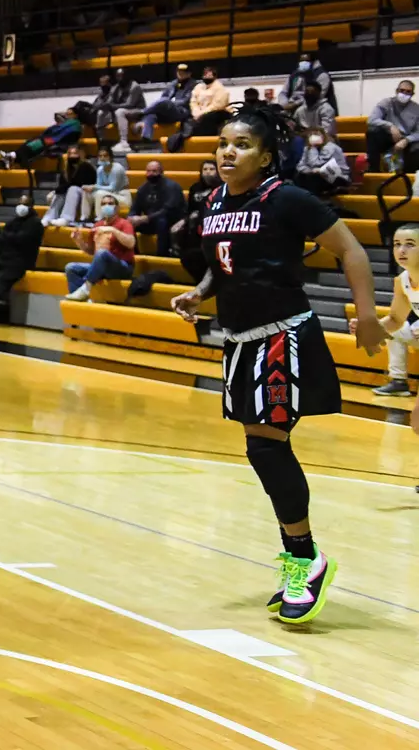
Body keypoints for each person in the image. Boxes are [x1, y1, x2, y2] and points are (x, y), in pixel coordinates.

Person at [171, 102, 384, 625]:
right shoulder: (216, 200)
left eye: (242, 145)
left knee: (266, 446)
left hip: (283, 336)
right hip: (240, 338)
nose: (228, 151)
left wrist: (368, 316)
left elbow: (352, 251)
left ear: (266, 156)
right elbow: (224, 267)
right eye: (224, 143)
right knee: (261, 448)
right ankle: (301, 556)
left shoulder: (287, 199)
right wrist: (199, 293)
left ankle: (306, 559)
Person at [367, 224, 419, 398]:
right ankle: (398, 382)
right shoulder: (402, 280)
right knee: (395, 332)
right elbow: (395, 320)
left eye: (410, 244)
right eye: (397, 244)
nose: (401, 250)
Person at [63, 191, 135, 301]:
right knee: (71, 268)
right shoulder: (97, 225)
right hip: (102, 267)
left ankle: (86, 288)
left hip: (122, 267)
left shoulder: (124, 223)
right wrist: (79, 242)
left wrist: (113, 230)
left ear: (117, 207)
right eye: (103, 204)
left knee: (102, 253)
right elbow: (91, 251)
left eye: (110, 203)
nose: (107, 206)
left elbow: (131, 243)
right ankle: (82, 301)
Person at [175, 161, 222, 283]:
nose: (208, 172)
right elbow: (189, 209)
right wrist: (183, 220)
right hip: (194, 225)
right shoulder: (195, 188)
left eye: (211, 169)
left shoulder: (222, 188)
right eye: (205, 169)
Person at [130, 160, 185, 255]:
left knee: (162, 221)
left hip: (172, 221)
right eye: (148, 171)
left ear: (161, 172)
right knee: (128, 224)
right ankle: (134, 254)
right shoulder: (143, 188)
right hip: (150, 221)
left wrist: (147, 218)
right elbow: (135, 207)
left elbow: (168, 210)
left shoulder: (172, 187)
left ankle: (161, 255)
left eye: (154, 171)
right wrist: (132, 217)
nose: (151, 174)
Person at [366, 80, 419, 173]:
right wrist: (390, 126)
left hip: (406, 140)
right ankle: (374, 170)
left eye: (408, 92)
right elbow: (372, 120)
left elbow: (418, 132)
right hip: (388, 137)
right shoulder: (386, 103)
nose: (404, 93)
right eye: (402, 90)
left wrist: (406, 140)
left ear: (412, 94)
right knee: (372, 132)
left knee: (417, 148)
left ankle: (409, 176)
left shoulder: (416, 109)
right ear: (396, 91)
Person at [136, 64, 195, 146]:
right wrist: (166, 104)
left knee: (164, 101)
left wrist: (170, 103)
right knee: (151, 114)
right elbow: (163, 97)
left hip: (181, 112)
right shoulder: (172, 84)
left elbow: (185, 101)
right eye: (179, 71)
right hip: (168, 111)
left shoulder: (193, 85)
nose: (180, 73)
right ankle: (146, 137)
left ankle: (141, 112)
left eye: (183, 72)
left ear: (189, 74)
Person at [44, 144, 98, 227]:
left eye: (75, 153)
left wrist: (64, 187)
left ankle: (66, 218)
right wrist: (55, 192)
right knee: (58, 193)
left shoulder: (87, 166)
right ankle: (48, 217)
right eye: (70, 154)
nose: (72, 156)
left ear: (80, 154)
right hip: (70, 192)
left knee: (73, 189)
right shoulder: (66, 168)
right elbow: (62, 185)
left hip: (85, 194)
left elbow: (81, 183)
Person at [7, 109, 83, 167]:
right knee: (33, 141)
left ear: (76, 115)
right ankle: (13, 156)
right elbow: (57, 116)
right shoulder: (66, 123)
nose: (67, 114)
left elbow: (62, 136)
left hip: (56, 142)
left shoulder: (75, 124)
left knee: (37, 143)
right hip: (49, 140)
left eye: (70, 113)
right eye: (67, 113)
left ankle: (13, 156)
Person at [99, 69, 146, 152]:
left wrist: (113, 106)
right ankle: (101, 139)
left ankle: (124, 142)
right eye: (118, 76)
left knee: (119, 111)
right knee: (101, 113)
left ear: (127, 76)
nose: (120, 78)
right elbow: (110, 101)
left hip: (137, 111)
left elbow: (130, 104)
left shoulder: (135, 86)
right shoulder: (116, 87)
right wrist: (105, 105)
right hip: (123, 110)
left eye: (122, 75)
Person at [293, 129, 349, 197]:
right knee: (299, 176)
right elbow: (300, 166)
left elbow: (316, 164)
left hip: (337, 177)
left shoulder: (331, 147)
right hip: (319, 177)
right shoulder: (308, 148)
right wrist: (310, 171)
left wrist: (313, 147)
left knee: (314, 179)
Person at [188, 66, 232, 141]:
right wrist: (195, 111)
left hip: (215, 114)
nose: (206, 77)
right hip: (198, 114)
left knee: (207, 118)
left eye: (209, 75)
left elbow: (217, 105)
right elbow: (193, 101)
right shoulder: (198, 87)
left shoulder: (220, 88)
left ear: (214, 76)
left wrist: (201, 113)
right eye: (205, 75)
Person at [93, 142, 131, 214]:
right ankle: (84, 218)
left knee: (99, 193)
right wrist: (92, 188)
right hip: (109, 195)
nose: (102, 158)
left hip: (122, 197)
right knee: (87, 193)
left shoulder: (117, 168)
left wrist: (94, 187)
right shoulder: (100, 169)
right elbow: (98, 185)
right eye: (100, 156)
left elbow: (113, 188)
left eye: (105, 156)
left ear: (110, 157)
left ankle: (99, 219)